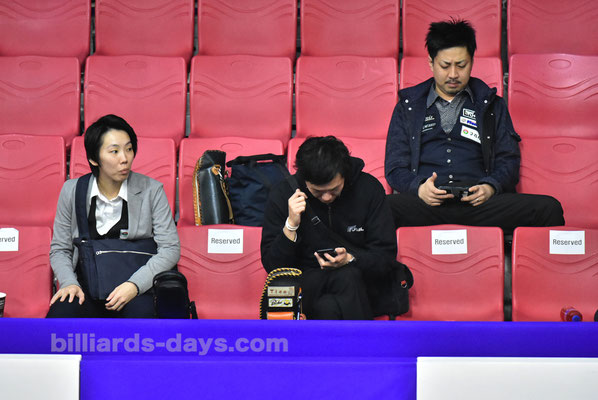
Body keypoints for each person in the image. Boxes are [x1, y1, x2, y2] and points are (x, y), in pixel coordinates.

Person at [385, 19, 564, 231]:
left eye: (461, 65)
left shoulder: (492, 104)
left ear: (472, 62)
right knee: (378, 208)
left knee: (548, 209)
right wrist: (419, 188)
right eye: (445, 66)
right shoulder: (408, 106)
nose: (453, 74)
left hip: (480, 206)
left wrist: (490, 186)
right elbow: (395, 167)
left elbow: (508, 160)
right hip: (427, 205)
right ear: (431, 63)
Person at [47, 114, 180, 318]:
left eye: (129, 149)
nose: (124, 159)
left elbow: (170, 249)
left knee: (143, 319)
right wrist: (69, 283)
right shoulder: (71, 190)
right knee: (60, 316)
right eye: (114, 151)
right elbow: (60, 249)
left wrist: (134, 285)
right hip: (86, 288)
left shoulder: (152, 190)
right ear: (94, 159)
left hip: (138, 289)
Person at [261, 136, 398, 320]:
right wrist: (291, 225)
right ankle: (363, 338)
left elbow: (385, 257)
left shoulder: (369, 189)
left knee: (332, 301)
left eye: (334, 189)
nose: (326, 197)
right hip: (306, 285)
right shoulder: (283, 194)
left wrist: (351, 259)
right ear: (305, 180)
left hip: (361, 282)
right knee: (345, 281)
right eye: (317, 191)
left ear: (344, 175)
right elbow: (274, 267)